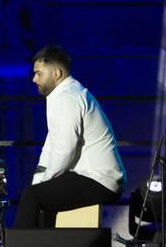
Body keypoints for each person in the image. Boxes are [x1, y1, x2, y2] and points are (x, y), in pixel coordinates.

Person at [13, 45, 125, 228]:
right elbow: (51, 145)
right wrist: (40, 179)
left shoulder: (68, 98)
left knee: (32, 197)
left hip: (99, 180)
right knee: (38, 192)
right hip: (90, 176)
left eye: (39, 73)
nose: (34, 79)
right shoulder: (62, 95)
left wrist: (45, 180)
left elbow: (65, 150)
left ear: (57, 73)